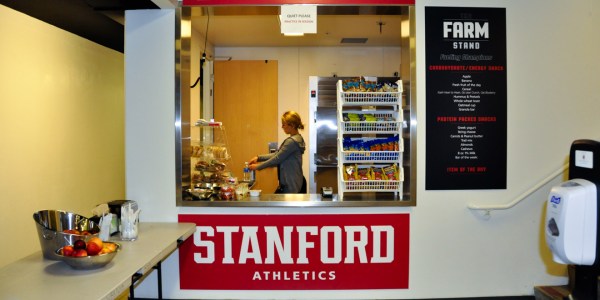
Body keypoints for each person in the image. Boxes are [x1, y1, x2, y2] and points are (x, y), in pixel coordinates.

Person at [248, 111, 306, 194]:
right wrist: (258, 158)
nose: (282, 126)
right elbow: (278, 155)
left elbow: (277, 158)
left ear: (292, 125)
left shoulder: (292, 142)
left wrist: (258, 167)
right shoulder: (297, 139)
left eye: (284, 124)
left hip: (291, 184)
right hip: (293, 182)